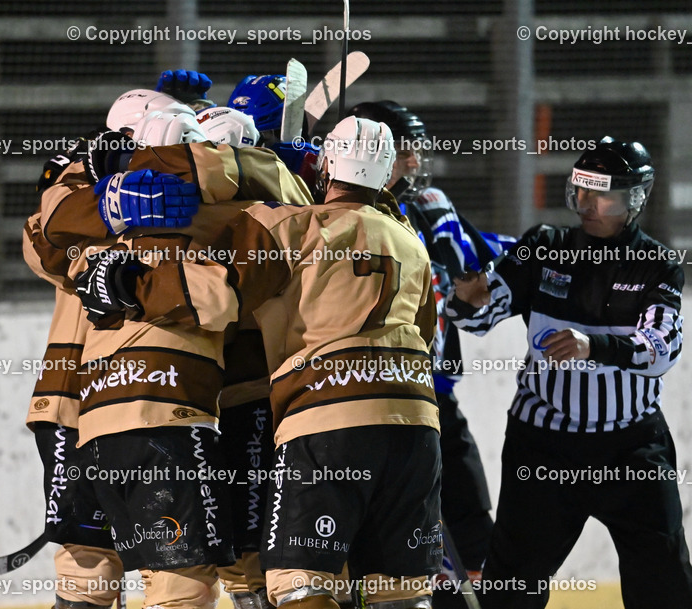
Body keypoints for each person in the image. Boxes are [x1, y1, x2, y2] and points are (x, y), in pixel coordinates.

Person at [74, 116, 443, 609]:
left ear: (327, 164)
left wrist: (127, 285)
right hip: (416, 425)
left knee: (300, 585)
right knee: (400, 594)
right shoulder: (409, 240)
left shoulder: (292, 224)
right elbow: (429, 330)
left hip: (326, 420)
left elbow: (214, 295)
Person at [32, 100, 313, 609]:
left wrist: (107, 204)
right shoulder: (240, 218)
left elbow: (45, 239)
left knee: (90, 567)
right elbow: (225, 287)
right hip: (184, 409)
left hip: (88, 410)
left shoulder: (89, 220)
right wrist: (279, 170)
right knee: (198, 576)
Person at [445, 137, 692, 609]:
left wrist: (593, 346)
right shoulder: (544, 247)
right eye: (580, 189)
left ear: (634, 198)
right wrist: (465, 290)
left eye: (601, 192)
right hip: (542, 445)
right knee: (510, 591)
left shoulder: (657, 265)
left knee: (665, 586)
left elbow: (662, 349)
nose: (586, 202)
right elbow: (477, 317)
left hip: (630, 447)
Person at [347, 102, 513, 603]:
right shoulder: (343, 214)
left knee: (474, 529)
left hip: (434, 397)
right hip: (367, 401)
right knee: (384, 534)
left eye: (417, 149)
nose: (416, 163)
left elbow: (486, 256)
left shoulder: (430, 207)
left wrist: (552, 250)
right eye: (404, 151)